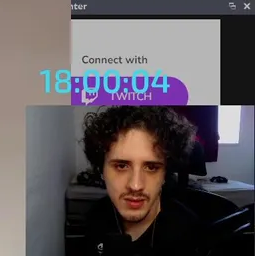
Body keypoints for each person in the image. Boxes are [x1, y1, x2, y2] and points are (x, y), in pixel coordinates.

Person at [76, 106, 208, 255]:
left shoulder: (188, 235)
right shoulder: (95, 217)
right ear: (101, 171)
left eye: (151, 167)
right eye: (121, 166)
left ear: (165, 174)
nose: (136, 185)